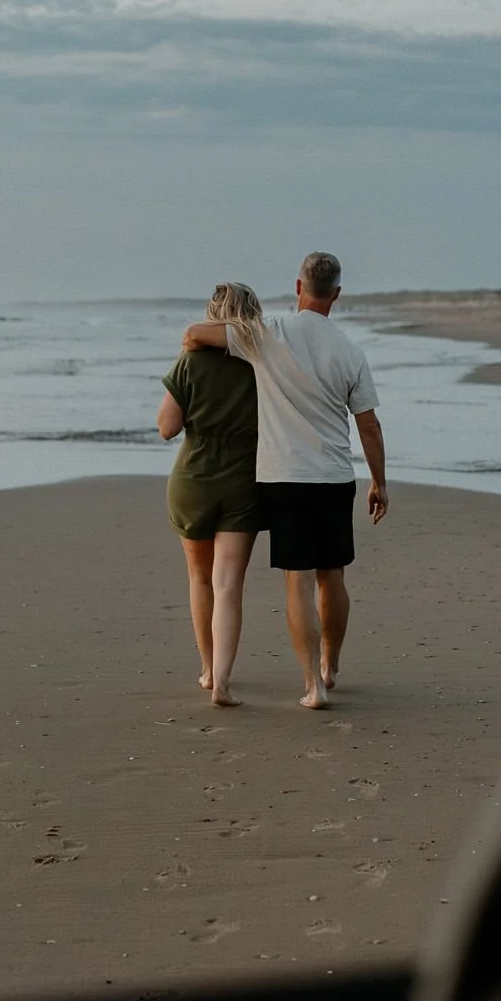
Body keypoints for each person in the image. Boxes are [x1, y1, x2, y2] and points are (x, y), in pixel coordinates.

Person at [181, 251, 386, 711]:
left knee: (299, 581)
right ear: (336, 294)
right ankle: (331, 666)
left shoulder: (267, 333)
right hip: (333, 476)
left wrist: (194, 353)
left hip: (283, 478)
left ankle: (311, 685)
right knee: (332, 576)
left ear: (298, 288)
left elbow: (197, 333)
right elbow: (368, 425)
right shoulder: (351, 351)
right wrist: (380, 483)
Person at [157, 283, 266, 707]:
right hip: (244, 480)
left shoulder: (190, 362)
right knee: (229, 586)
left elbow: (166, 427)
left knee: (200, 579)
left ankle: (206, 671)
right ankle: (223, 680)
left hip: (194, 479)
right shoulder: (262, 363)